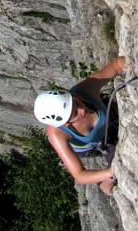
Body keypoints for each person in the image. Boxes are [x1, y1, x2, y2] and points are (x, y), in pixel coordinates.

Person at [33, 56, 126, 195]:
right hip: (91, 145)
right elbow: (80, 175)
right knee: (116, 158)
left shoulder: (83, 91)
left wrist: (129, 63)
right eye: (75, 113)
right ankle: (106, 184)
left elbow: (116, 66)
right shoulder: (57, 135)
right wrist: (110, 172)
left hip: (107, 121)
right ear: (65, 123)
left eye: (76, 102)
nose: (82, 110)